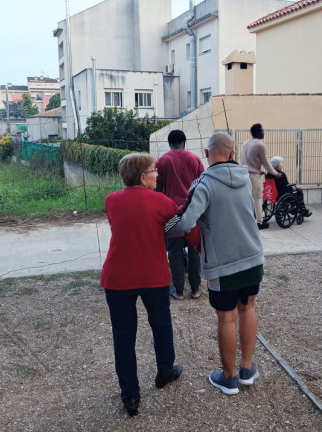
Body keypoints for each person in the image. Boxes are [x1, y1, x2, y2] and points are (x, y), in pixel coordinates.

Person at [167, 132, 263, 395]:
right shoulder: (246, 177)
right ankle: (247, 369)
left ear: (207, 154)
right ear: (233, 154)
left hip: (224, 265)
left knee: (227, 317)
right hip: (254, 257)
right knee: (248, 307)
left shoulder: (203, 184)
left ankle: (229, 377)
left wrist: (164, 229)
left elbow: (185, 223)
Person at [101, 153, 183, 416]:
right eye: (154, 171)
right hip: (153, 275)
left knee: (123, 335)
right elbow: (177, 228)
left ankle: (130, 396)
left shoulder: (111, 201)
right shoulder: (162, 202)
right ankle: (165, 371)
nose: (157, 174)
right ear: (143, 176)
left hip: (118, 277)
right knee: (161, 325)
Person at [156, 130, 204, 300]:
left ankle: (178, 291)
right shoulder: (195, 160)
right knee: (194, 250)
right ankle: (196, 290)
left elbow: (158, 190)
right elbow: (202, 187)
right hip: (193, 211)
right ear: (184, 141)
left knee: (175, 251)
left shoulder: (162, 161)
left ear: (169, 143)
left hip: (171, 214)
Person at [241, 123, 281, 230]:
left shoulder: (246, 143)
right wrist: (276, 173)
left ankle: (246, 221)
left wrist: (257, 170)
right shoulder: (260, 145)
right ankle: (260, 222)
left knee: (247, 199)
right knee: (258, 199)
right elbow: (266, 163)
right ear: (258, 132)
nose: (263, 132)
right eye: (262, 130)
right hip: (254, 176)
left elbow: (247, 161)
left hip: (243, 174)